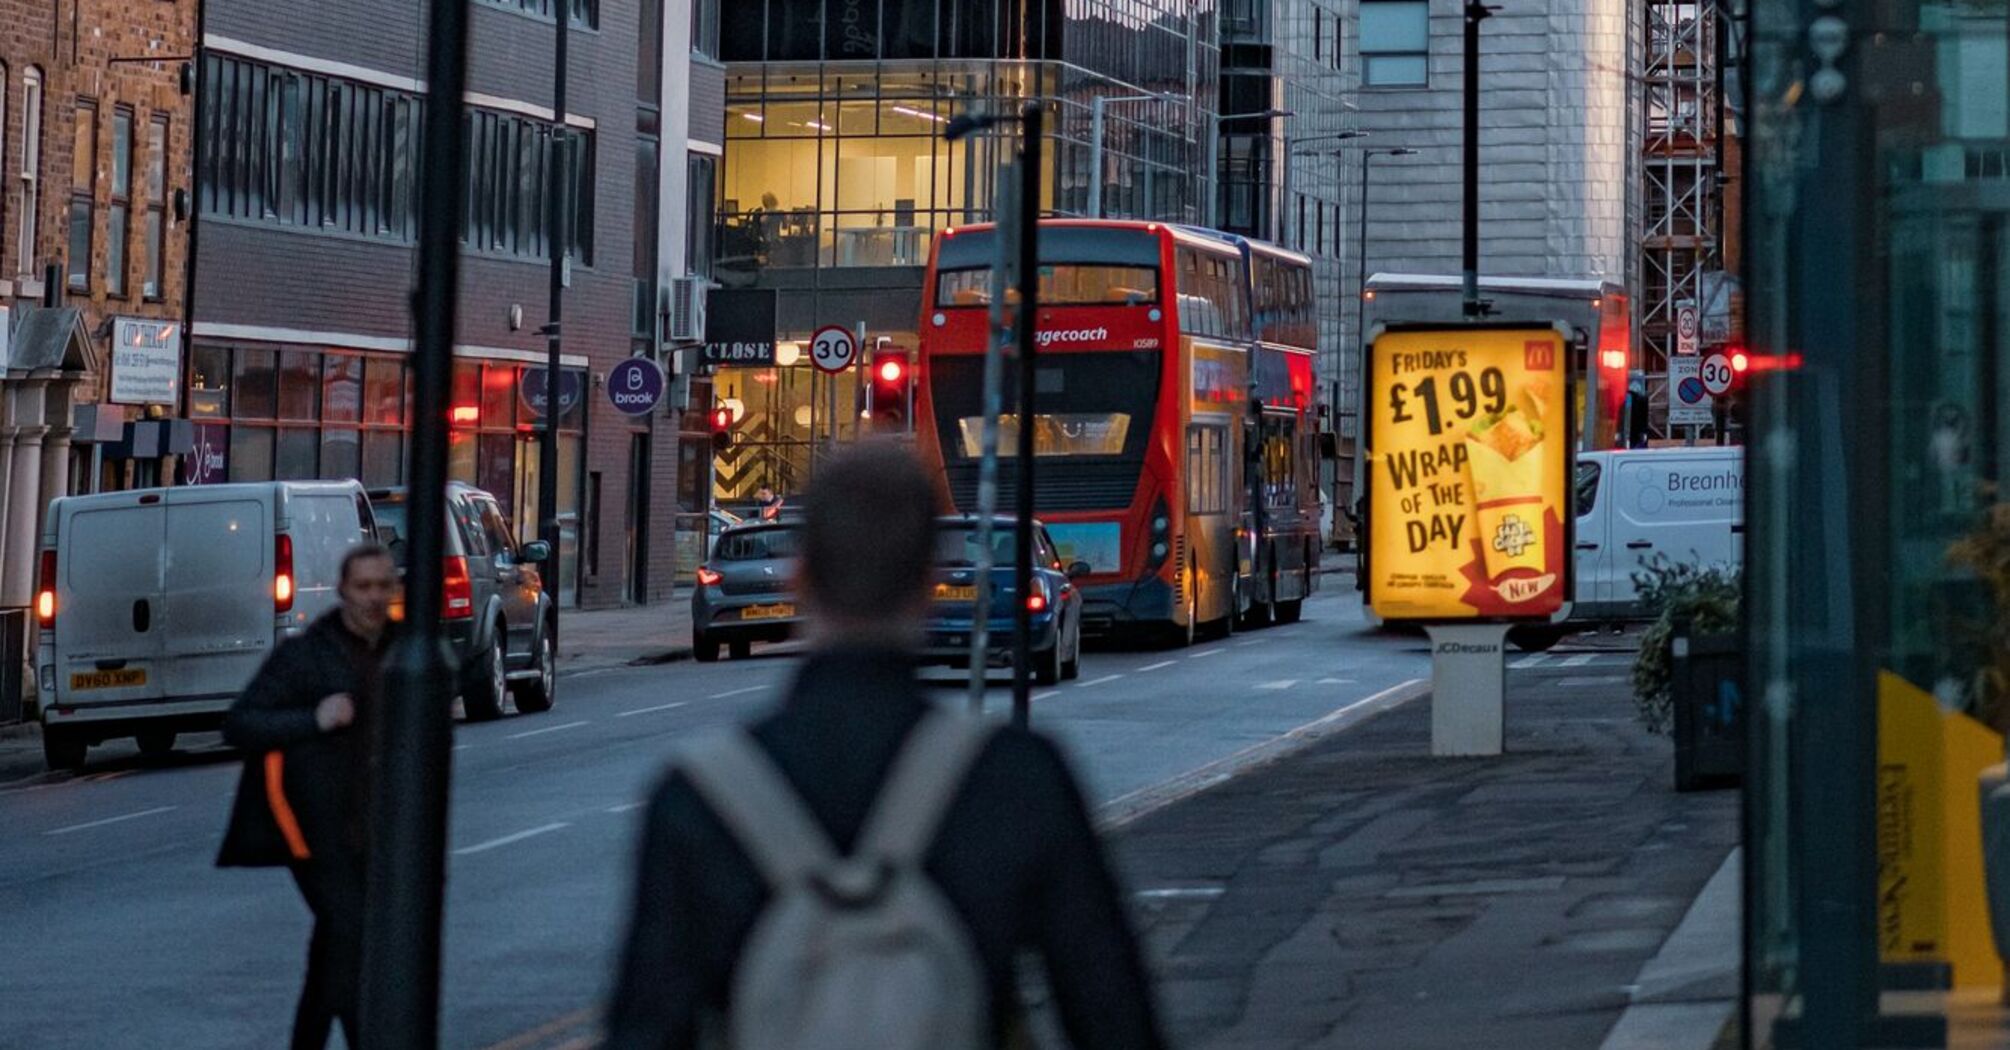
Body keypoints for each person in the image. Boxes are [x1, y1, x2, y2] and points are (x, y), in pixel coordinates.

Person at [606, 443, 1164, 1049]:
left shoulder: (698, 799)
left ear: (802, 576)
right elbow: (1113, 1015)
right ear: (928, 578)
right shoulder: (1015, 779)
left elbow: (647, 1028)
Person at [217, 542, 398, 1050]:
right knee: (351, 931)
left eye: (383, 586)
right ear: (343, 591)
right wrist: (314, 719)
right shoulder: (307, 655)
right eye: (363, 587)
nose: (373, 597)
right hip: (311, 828)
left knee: (336, 947)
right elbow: (241, 723)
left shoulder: (402, 652)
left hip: (376, 827)